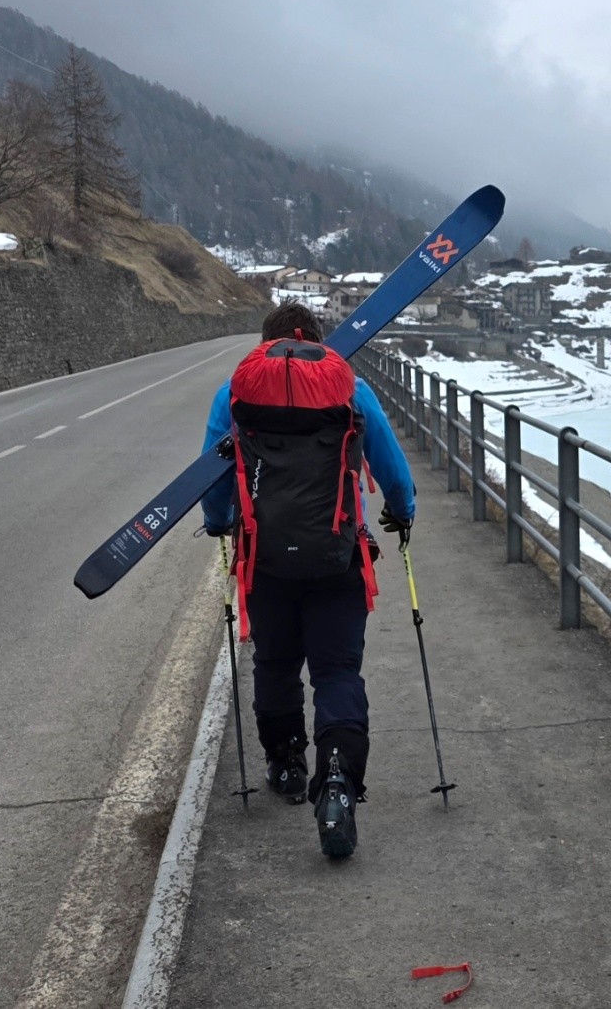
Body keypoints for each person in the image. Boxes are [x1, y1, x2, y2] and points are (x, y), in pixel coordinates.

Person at [201, 301, 415, 857]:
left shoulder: (235, 394)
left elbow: (212, 475)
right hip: (338, 559)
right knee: (337, 670)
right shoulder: (351, 390)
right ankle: (339, 778)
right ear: (320, 343)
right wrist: (403, 510)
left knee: (274, 663)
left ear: (264, 346)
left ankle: (289, 764)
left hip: (265, 562)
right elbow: (392, 468)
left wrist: (219, 524)